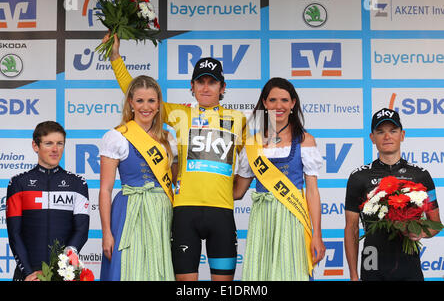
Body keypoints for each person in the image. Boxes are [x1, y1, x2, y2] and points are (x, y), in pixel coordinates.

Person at [102, 33, 247, 281]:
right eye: (199, 81)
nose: (205, 87)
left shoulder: (240, 120)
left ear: (222, 87)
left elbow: (251, 163)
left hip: (222, 211)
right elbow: (137, 93)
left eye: (212, 82)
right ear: (191, 86)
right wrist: (115, 58)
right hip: (184, 212)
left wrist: (235, 190)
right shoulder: (180, 113)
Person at [233, 77, 325, 280]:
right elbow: (238, 192)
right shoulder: (253, 144)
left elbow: (312, 191)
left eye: (284, 100)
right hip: (263, 219)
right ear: (264, 103)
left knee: (292, 272)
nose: (278, 106)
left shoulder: (305, 140)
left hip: (293, 217)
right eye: (273, 100)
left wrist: (316, 234)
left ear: (293, 103)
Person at [344, 108, 442, 281]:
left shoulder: (421, 175)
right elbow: (351, 229)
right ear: (372, 138)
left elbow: (436, 224)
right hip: (372, 264)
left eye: (393, 131)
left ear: (402, 135)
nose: (387, 136)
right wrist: (353, 275)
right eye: (380, 132)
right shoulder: (358, 177)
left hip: (408, 264)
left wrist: (420, 233)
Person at [99, 75, 177, 281]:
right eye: (140, 100)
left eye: (151, 101)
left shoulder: (168, 139)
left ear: (159, 104)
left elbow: (174, 181)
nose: (146, 107)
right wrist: (106, 233)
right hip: (130, 209)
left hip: (161, 212)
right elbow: (105, 189)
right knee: (128, 268)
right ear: (131, 103)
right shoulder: (117, 136)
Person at [6, 121, 90, 281]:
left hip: (64, 273)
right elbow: (14, 233)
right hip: (28, 274)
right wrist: (28, 273)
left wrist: (63, 267)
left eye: (60, 143)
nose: (55, 149)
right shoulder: (18, 183)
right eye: (48, 143)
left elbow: (81, 230)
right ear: (35, 146)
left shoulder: (77, 183)